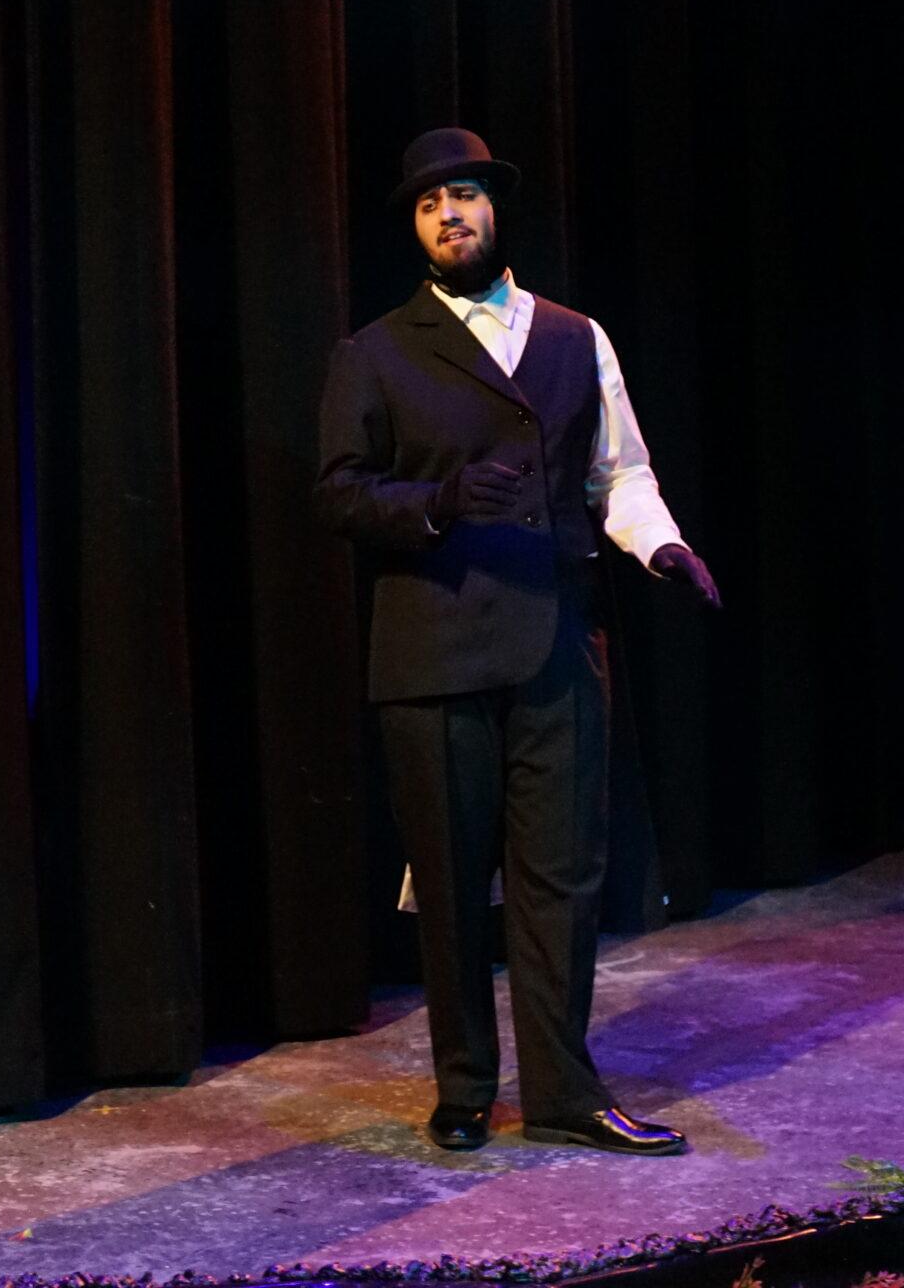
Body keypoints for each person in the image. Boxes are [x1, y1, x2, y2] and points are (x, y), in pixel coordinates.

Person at [315, 127, 720, 1157]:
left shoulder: (575, 337)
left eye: (463, 195)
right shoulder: (375, 352)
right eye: (427, 205)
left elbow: (618, 472)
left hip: (556, 644)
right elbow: (338, 492)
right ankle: (463, 1088)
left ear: (495, 208)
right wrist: (440, 501)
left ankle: (563, 1093)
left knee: (560, 880)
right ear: (415, 231)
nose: (448, 215)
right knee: (452, 885)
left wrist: (661, 546)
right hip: (434, 651)